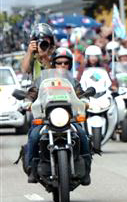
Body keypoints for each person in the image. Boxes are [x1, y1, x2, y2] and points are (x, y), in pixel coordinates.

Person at [24, 48, 91, 185]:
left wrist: (85, 102)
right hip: (45, 119)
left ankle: (86, 171)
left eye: (66, 63)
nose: (62, 65)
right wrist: (27, 102)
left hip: (68, 119)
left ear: (70, 65)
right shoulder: (42, 80)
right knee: (34, 135)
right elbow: (32, 94)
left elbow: (81, 95)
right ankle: (32, 168)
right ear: (54, 64)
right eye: (59, 62)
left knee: (82, 134)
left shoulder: (73, 82)